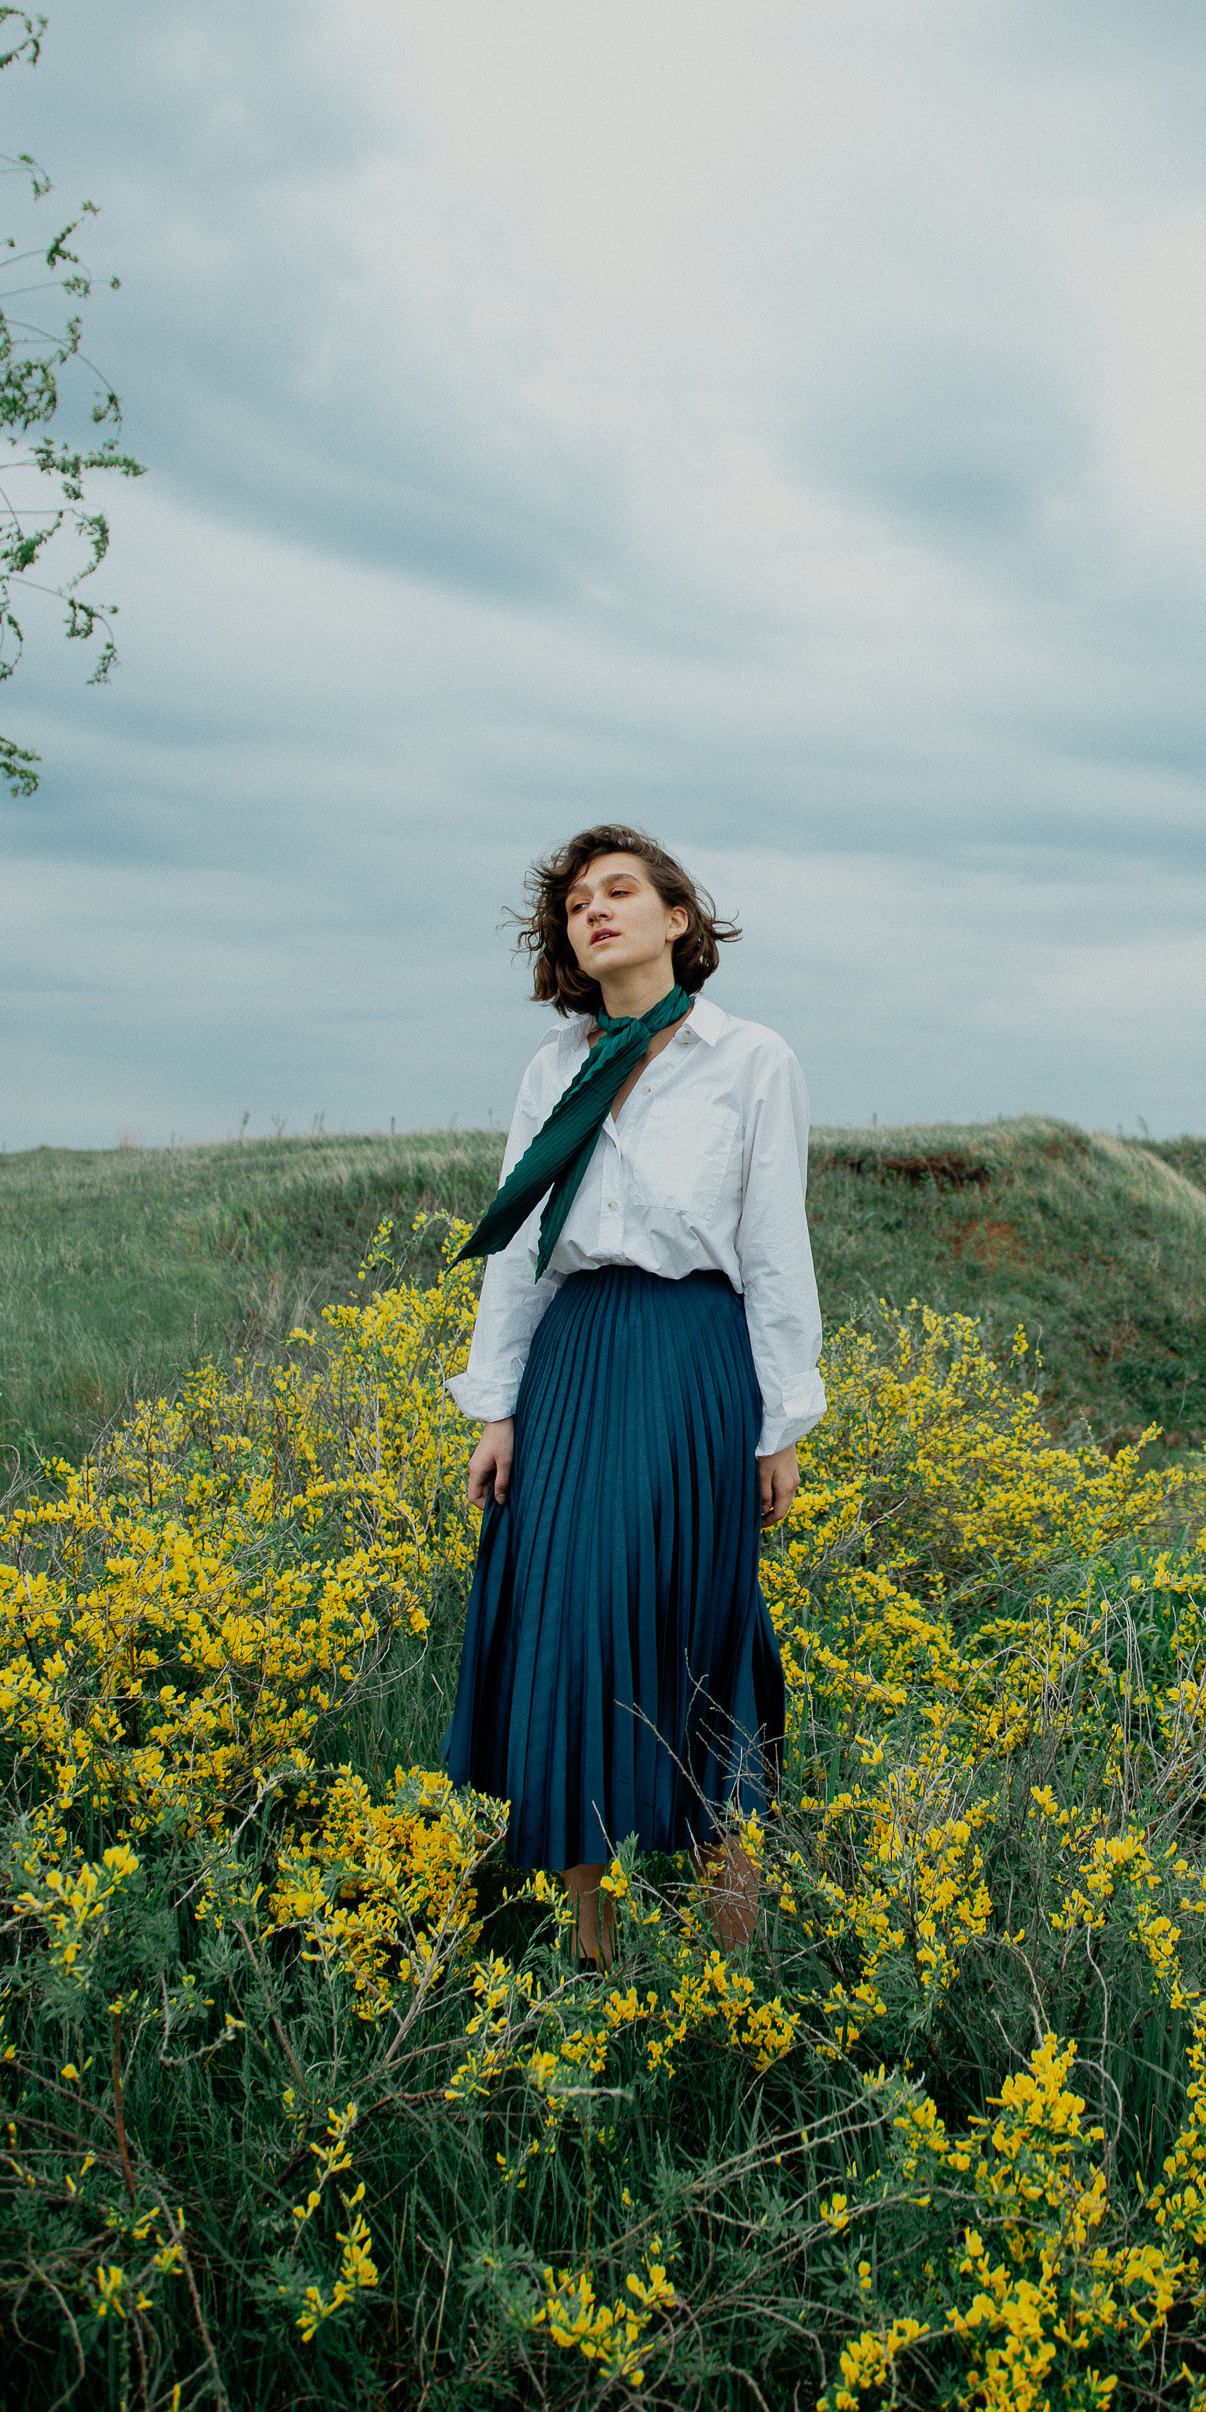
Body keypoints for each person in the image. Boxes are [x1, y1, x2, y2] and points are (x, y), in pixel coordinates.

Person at [443, 826, 825, 1964]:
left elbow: (772, 1247)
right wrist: (495, 1408)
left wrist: (780, 1422)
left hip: (691, 1357)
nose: (592, 911)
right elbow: (516, 1250)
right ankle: (591, 1953)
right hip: (571, 1360)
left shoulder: (750, 1059)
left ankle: (731, 1958)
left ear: (676, 919)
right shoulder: (552, 1070)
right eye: (572, 903)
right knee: (563, 1624)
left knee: (698, 1626)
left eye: (619, 891)